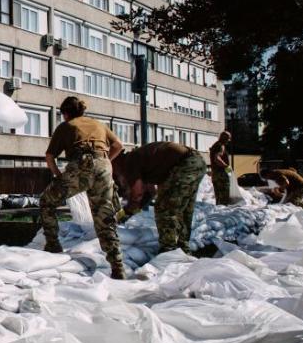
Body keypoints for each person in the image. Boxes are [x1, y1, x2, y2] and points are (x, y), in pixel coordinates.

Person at [39, 97, 126, 279]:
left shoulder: (66, 126)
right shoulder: (98, 124)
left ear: (65, 113)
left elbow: (49, 156)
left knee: (47, 201)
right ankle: (117, 266)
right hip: (103, 166)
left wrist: (58, 176)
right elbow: (119, 146)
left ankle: (53, 244)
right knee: (104, 217)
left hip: (80, 165)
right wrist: (104, 162)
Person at [112, 142, 207, 253]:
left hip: (186, 164)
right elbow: (151, 192)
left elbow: (137, 194)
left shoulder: (129, 162)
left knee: (165, 209)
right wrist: (133, 210)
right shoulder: (138, 159)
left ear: (115, 161)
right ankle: (182, 248)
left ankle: (168, 249)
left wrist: (126, 212)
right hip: (197, 162)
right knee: (184, 209)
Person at [210, 131, 232, 205]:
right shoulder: (220, 146)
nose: (228, 141)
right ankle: (223, 213)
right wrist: (226, 166)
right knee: (224, 197)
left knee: (218, 196)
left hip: (215, 174)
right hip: (221, 174)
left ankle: (219, 213)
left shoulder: (215, 145)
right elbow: (217, 158)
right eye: (228, 139)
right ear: (224, 138)